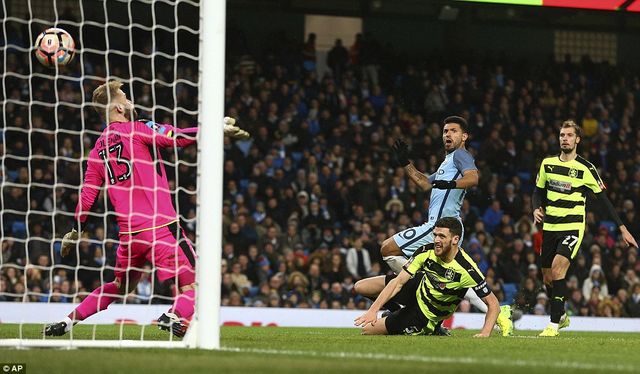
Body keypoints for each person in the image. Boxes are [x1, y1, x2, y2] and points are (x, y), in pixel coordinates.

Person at [44, 80, 250, 338]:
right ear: (119, 107)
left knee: (119, 286)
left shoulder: (97, 149)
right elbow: (175, 137)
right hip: (161, 228)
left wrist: (75, 232)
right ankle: (172, 315)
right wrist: (214, 128)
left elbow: (88, 195)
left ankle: (66, 321)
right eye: (126, 98)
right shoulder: (138, 128)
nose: (130, 101)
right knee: (197, 286)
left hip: (129, 237)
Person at [383, 115, 513, 336]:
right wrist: (405, 162)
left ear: (464, 136)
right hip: (445, 228)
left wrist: (450, 183)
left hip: (441, 227)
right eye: (445, 131)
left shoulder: (461, 155)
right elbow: (425, 183)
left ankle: (418, 297)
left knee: (387, 249)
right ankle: (499, 313)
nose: (447, 135)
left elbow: (473, 178)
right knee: (454, 278)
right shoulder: (447, 161)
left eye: (453, 131)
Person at [533, 120, 638, 337]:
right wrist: (536, 208)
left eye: (569, 135)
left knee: (558, 268)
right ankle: (561, 314)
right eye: (562, 135)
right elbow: (537, 191)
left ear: (577, 139)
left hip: (572, 227)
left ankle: (553, 325)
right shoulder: (547, 164)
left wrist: (622, 228)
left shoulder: (586, 168)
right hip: (550, 227)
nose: (565, 138)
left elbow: (604, 200)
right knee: (547, 277)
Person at [353, 217, 500, 337]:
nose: (436, 240)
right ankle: (396, 310)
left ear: (455, 240)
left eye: (442, 236)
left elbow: (493, 304)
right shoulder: (426, 250)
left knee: (367, 331)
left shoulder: (467, 269)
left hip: (425, 313)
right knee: (360, 287)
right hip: (418, 287)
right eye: (435, 235)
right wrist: (373, 310)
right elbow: (398, 282)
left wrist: (485, 333)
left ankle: (434, 328)